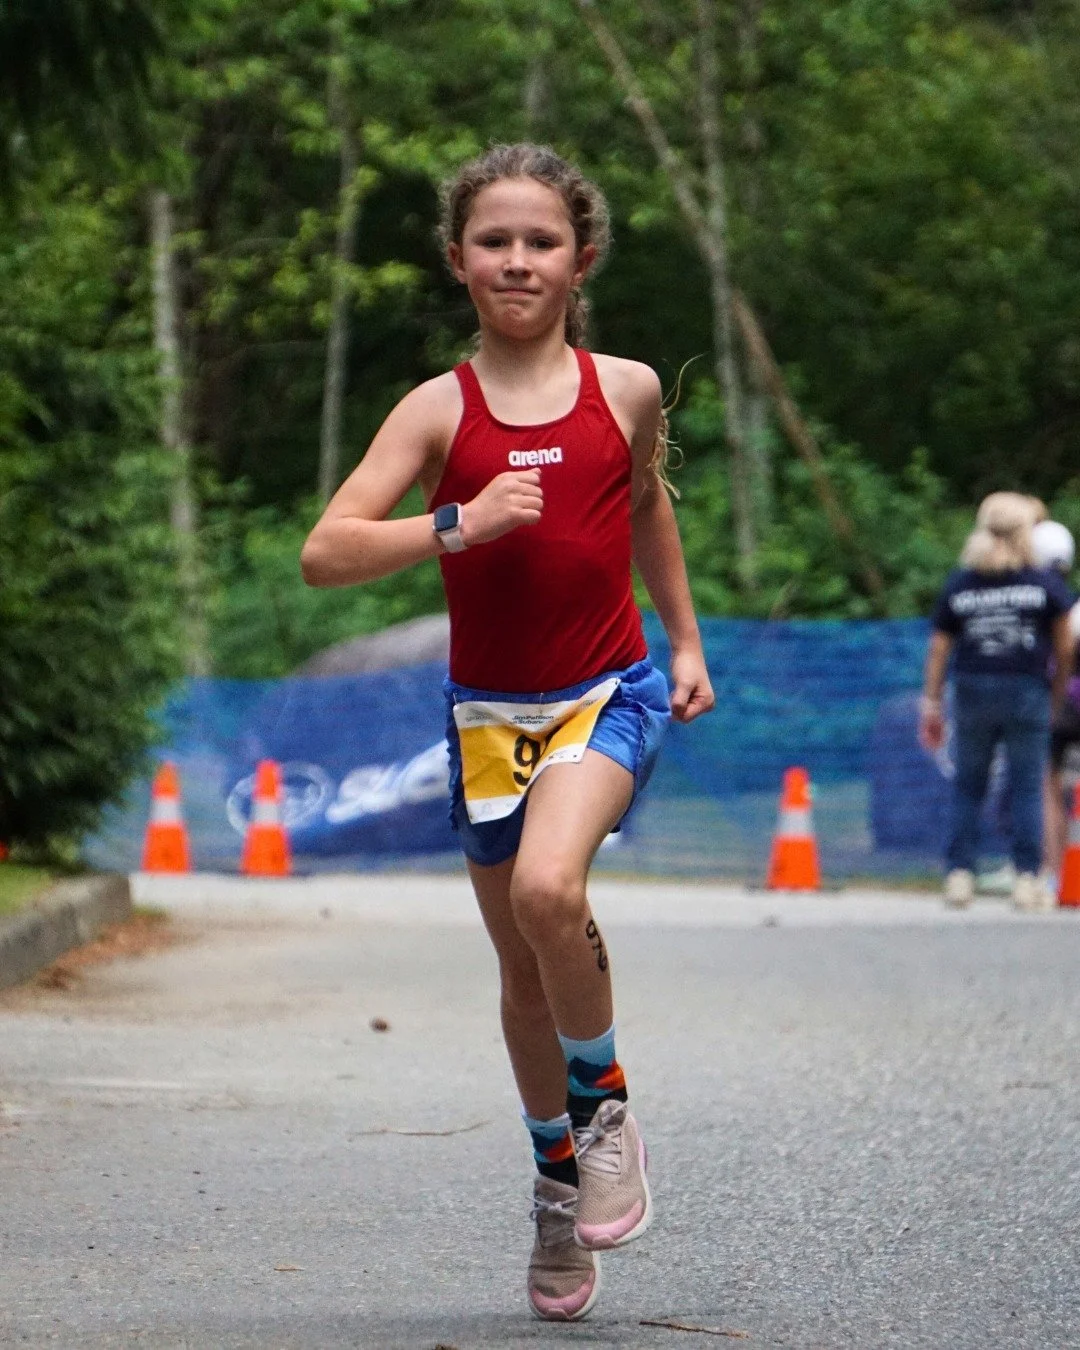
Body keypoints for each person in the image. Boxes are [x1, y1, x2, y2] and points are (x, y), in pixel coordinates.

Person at [300, 142, 715, 1322]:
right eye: (495, 241)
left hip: (607, 693)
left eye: (542, 241)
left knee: (547, 890)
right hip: (488, 717)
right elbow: (326, 552)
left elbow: (646, 507)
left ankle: (606, 1111)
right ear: (458, 259)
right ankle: (554, 1188)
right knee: (523, 977)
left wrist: (685, 643)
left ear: (582, 260)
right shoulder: (438, 410)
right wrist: (459, 524)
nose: (518, 260)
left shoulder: (625, 389)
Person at [919, 492, 1073, 910]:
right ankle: (1027, 878)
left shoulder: (962, 583)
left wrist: (931, 702)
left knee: (969, 784)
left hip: (972, 689)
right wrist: (1056, 692)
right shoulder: (1042, 584)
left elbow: (939, 648)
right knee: (1027, 786)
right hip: (1027, 690)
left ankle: (959, 875)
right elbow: (1064, 646)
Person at [1031, 519, 1080, 889]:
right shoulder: (1072, 603)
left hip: (1058, 706)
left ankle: (1053, 872)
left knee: (1049, 786)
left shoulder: (1034, 602)